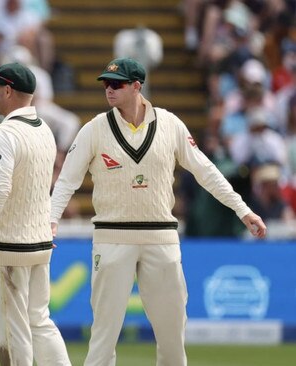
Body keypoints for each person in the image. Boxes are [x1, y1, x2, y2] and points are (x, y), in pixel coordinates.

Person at [50, 57, 267, 366]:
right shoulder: (94, 130)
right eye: (106, 84)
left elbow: (205, 170)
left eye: (117, 84)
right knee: (103, 336)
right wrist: (50, 219)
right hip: (113, 238)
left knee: (172, 336)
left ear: (137, 85)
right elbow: (67, 181)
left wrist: (241, 209)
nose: (109, 90)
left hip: (161, 238)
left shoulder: (170, 124)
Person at [0, 62, 71, 366]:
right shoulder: (44, 130)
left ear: (8, 90)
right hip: (38, 243)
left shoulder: (8, 134)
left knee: (11, 332)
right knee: (39, 321)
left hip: (9, 247)